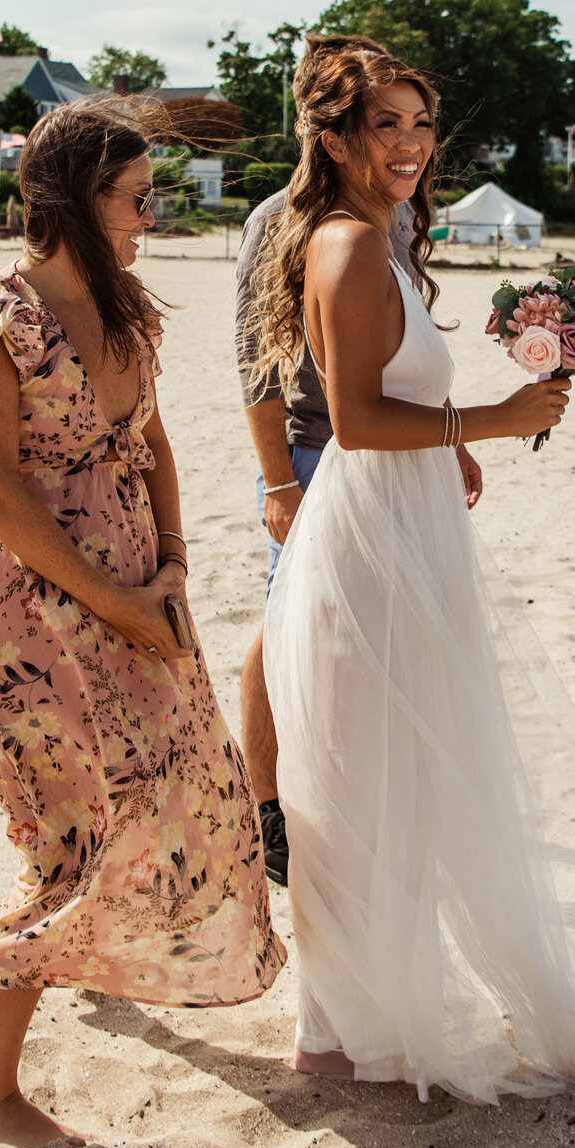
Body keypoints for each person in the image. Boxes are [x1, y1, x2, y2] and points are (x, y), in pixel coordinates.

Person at [249, 33, 575, 1102]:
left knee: (394, 768)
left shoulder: (385, 236)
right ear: (334, 133)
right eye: (383, 124)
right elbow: (351, 418)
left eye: (420, 123)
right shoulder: (347, 246)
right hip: (370, 525)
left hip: (408, 517)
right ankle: (332, 1027)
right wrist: (487, 420)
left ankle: (353, 1015)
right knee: (360, 773)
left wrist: (451, 448)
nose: (407, 143)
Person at [0, 99, 283, 1148]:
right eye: (135, 199)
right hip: (39, 611)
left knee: (193, 784)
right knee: (74, 834)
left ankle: (86, 968)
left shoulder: (129, 309)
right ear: (76, 200)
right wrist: (118, 599)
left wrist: (171, 562)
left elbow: (156, 443)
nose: (150, 217)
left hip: (140, 584)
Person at [231, 189, 461, 886]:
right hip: (313, 450)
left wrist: (446, 430)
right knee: (287, 625)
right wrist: (277, 480)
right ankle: (264, 801)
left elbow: (402, 342)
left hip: (398, 456)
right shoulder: (276, 219)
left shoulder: (397, 212)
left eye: (419, 122)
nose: (405, 140)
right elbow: (255, 360)